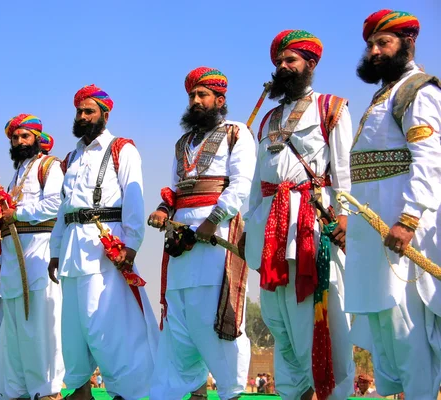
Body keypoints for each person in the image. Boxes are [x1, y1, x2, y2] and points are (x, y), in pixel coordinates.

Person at [243, 30, 355, 400]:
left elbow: (343, 172)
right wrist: (251, 230)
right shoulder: (267, 119)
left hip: (310, 225)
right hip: (269, 231)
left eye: (290, 60)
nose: (283, 67)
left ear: (311, 64)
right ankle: (294, 394)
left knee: (312, 317)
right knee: (278, 322)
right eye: (279, 62)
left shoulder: (331, 107)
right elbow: (259, 181)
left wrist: (344, 217)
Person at [345, 9, 441, 398]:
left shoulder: (417, 90)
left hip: (400, 231)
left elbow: (430, 160)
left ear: (408, 43)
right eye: (370, 45)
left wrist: (408, 219)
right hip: (372, 237)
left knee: (406, 331)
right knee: (385, 331)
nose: (374, 51)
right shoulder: (383, 95)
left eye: (383, 43)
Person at [148, 67, 254, 400]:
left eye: (202, 95)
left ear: (220, 99)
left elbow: (241, 184)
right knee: (180, 319)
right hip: (181, 242)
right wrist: (164, 211)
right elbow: (174, 190)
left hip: (217, 238)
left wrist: (214, 219)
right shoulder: (182, 143)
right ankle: (190, 392)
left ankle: (231, 391)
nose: (195, 101)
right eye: (192, 95)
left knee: (216, 319)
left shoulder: (237, 133)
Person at [48, 84, 158, 400]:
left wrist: (131, 245)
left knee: (110, 328)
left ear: (104, 114)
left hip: (106, 251)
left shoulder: (123, 149)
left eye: (89, 111)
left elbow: (134, 202)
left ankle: (129, 392)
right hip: (71, 250)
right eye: (79, 111)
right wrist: (55, 251)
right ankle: (81, 390)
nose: (82, 117)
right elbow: (63, 210)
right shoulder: (70, 158)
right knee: (74, 328)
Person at [0, 115, 65, 400]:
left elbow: (56, 203)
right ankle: (17, 391)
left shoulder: (49, 166)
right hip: (11, 259)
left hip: (39, 253)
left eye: (24, 136)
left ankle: (47, 391)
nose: (19, 142)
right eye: (15, 137)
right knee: (16, 330)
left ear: (37, 138)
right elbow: (5, 223)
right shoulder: (15, 175)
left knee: (39, 326)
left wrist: (17, 214)